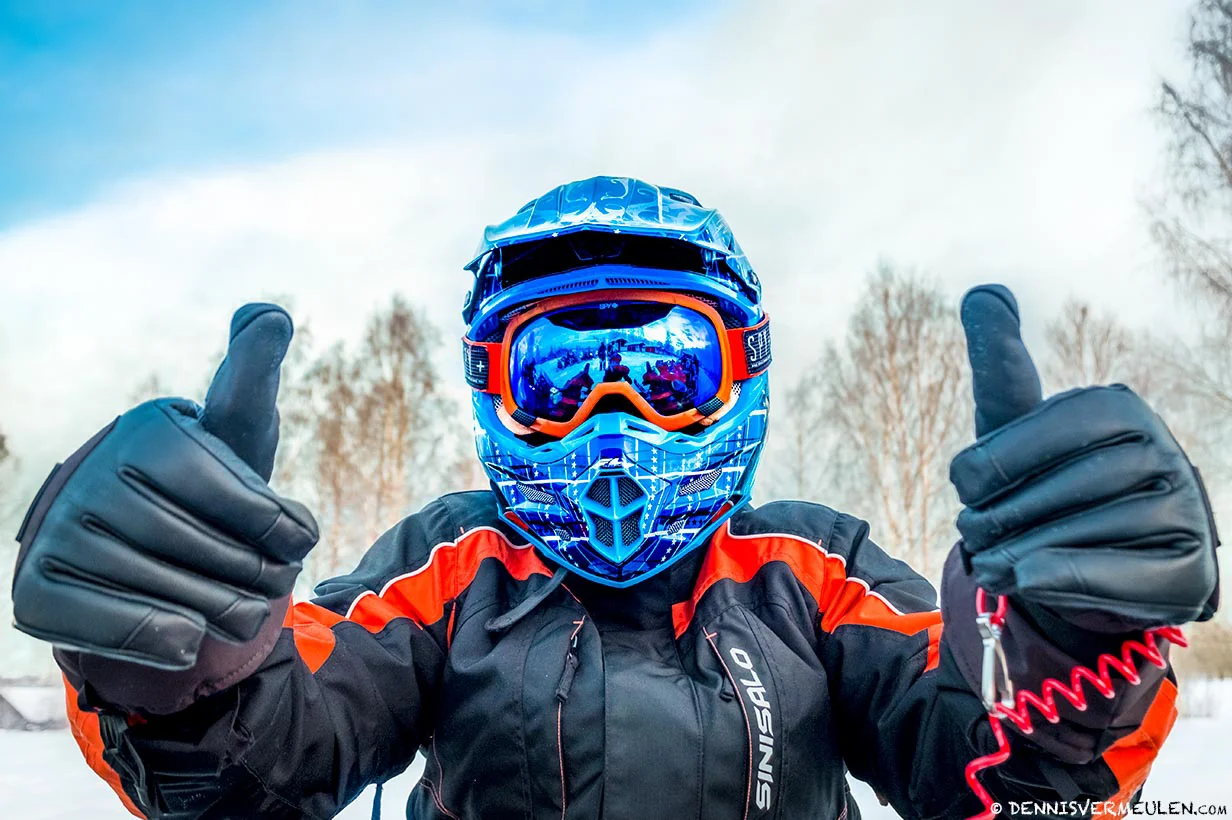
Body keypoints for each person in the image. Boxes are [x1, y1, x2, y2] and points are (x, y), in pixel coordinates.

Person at [10, 176, 1221, 820]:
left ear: (739, 375)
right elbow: (270, 766)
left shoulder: (813, 571)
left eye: (666, 368)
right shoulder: (449, 568)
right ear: (493, 388)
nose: (611, 413)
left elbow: (986, 774)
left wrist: (1064, 658)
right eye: (557, 373)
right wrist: (182, 671)